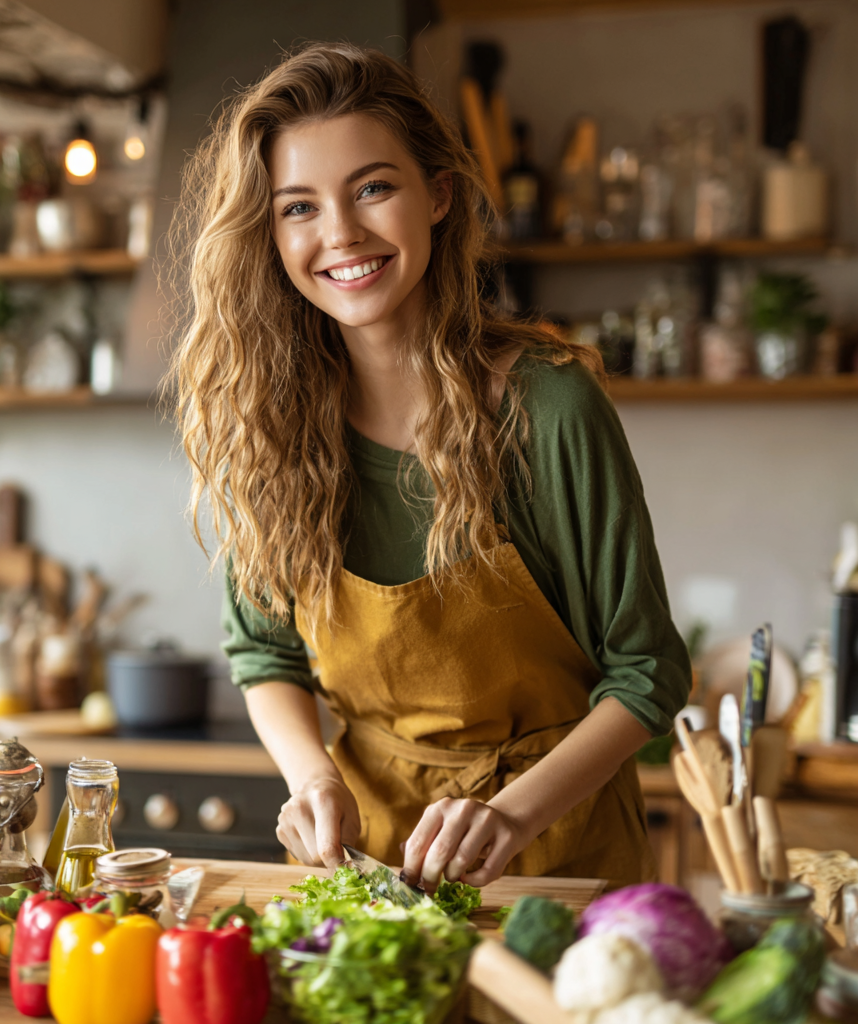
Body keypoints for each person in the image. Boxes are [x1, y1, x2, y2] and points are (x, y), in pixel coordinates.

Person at [169, 43, 690, 890]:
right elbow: (264, 657)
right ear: (269, 232)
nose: (340, 234)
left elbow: (648, 673)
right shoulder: (263, 422)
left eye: (373, 188)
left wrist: (511, 813)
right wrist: (313, 780)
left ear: (438, 194)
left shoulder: (547, 407)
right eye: (299, 206)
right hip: (364, 867)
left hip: (556, 859)